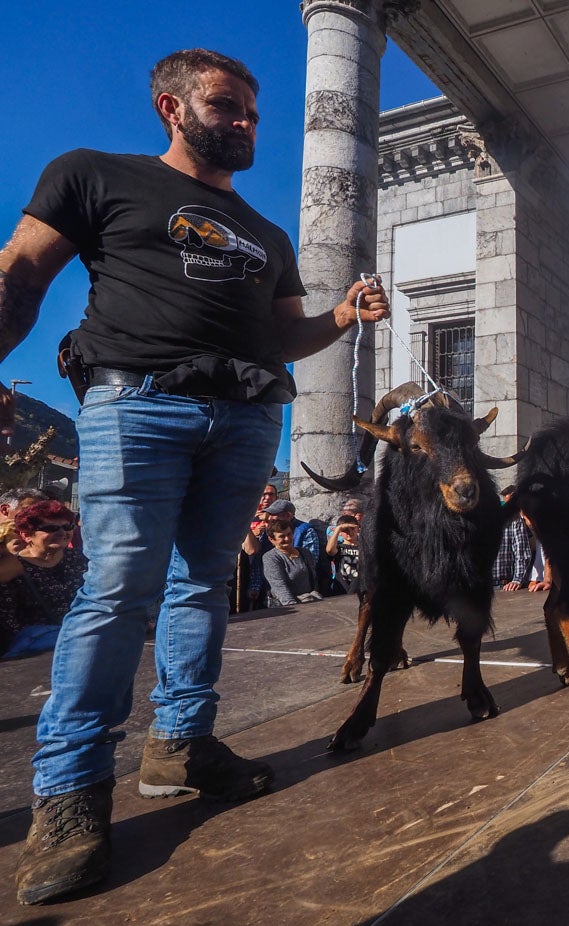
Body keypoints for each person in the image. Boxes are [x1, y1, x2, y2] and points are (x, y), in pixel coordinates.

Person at [1, 49, 390, 905]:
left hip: (248, 416)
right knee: (119, 589)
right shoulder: (95, 175)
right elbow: (21, 272)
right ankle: (67, 795)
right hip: (137, 404)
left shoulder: (268, 235)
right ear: (172, 106)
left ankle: (181, 744)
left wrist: (341, 315)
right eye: (227, 105)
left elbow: (285, 336)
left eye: (253, 110)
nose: (247, 121)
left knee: (202, 585)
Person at [0, 502, 87, 658]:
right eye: (50, 528)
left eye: (67, 527)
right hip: (36, 653)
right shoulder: (13, 569)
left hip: (85, 642)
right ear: (26, 535)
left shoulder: (82, 560)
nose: (62, 532)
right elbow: (9, 623)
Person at [261, 524, 321, 607]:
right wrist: (293, 606)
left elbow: (313, 579)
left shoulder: (305, 553)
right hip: (285, 606)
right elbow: (279, 585)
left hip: (309, 601)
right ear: (271, 539)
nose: (287, 539)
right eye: (282, 536)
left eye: (289, 534)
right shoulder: (271, 557)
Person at [493, 486, 535, 591]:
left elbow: (521, 551)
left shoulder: (513, 520)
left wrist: (517, 579)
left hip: (504, 584)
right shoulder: (474, 523)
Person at [324, 514, 361, 596]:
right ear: (340, 532)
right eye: (345, 530)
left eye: (352, 529)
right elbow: (329, 550)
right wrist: (338, 529)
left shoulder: (364, 547)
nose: (350, 532)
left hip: (360, 589)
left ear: (357, 529)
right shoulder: (339, 548)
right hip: (342, 589)